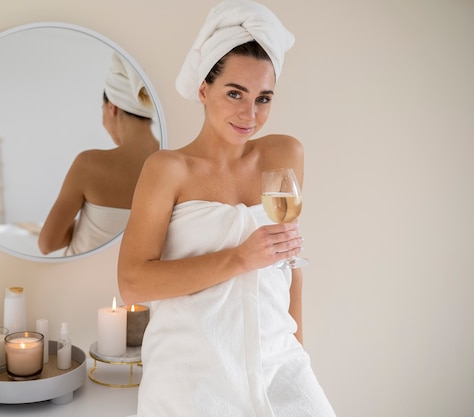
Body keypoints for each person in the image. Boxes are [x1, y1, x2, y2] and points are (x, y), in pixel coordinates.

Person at [117, 1, 336, 416]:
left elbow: (290, 268)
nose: (249, 114)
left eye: (263, 98)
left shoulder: (284, 153)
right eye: (235, 93)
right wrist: (239, 258)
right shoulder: (167, 170)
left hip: (279, 368)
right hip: (193, 380)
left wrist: (298, 358)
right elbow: (132, 282)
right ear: (204, 90)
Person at [38, 53, 159, 256]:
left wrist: (89, 224)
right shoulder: (170, 162)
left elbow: (47, 244)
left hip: (80, 281)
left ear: (112, 108)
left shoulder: (89, 164)